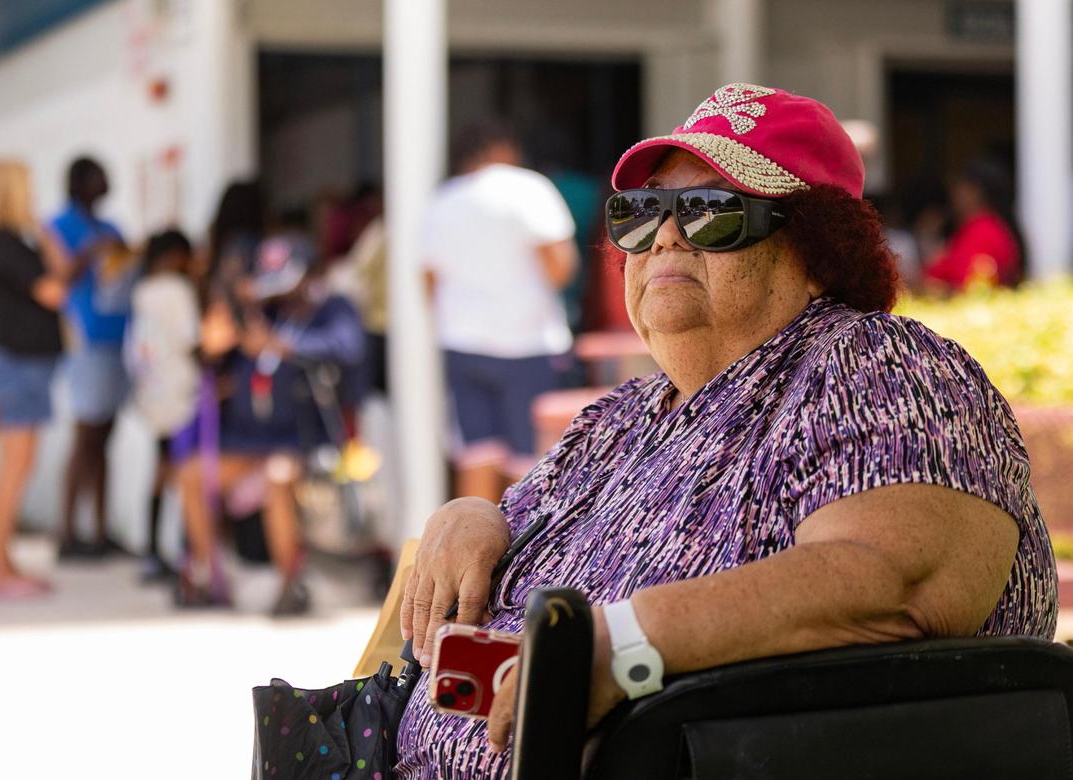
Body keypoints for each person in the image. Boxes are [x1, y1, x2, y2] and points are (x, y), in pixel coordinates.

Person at [393, 83, 1057, 778]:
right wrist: (471, 517)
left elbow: (897, 584)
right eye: (641, 214)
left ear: (819, 246)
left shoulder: (877, 365)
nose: (667, 235)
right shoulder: (620, 417)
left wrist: (620, 646)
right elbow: (517, 523)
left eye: (712, 210)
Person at [175, 236, 367, 616]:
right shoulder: (262, 311)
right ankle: (206, 575)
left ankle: (289, 585)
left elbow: (348, 349)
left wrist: (281, 346)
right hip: (247, 441)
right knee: (191, 473)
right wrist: (220, 338)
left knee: (278, 477)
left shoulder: (332, 309)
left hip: (302, 442)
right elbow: (212, 359)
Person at [422, 122, 579, 502]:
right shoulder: (529, 188)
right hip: (526, 344)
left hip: (463, 345)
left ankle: (470, 559)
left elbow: (429, 282)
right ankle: (526, 559)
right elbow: (561, 267)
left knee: (476, 457)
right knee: (530, 464)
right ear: (502, 147)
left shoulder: (442, 200)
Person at [0, 160, 73, 597]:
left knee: (17, 464)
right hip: (16, 365)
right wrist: (46, 235)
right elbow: (57, 288)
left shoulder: (5, 242)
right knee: (14, 466)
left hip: (20, 364)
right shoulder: (1, 242)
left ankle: (4, 561)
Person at [50, 157, 134, 559]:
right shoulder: (60, 226)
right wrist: (89, 253)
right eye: (99, 176)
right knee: (84, 436)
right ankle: (67, 531)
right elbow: (57, 277)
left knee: (104, 439)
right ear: (80, 182)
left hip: (119, 339)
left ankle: (100, 531)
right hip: (85, 340)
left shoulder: (112, 228)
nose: (107, 182)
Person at [123, 229, 200, 582]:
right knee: (186, 472)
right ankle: (189, 552)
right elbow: (191, 340)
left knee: (161, 469)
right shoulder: (178, 292)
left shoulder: (142, 291)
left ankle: (152, 550)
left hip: (153, 394)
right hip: (181, 395)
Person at [923, 158, 1025, 291]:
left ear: (974, 192)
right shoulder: (981, 228)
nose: (952, 195)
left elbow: (967, 290)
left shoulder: (982, 232)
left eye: (958, 188)